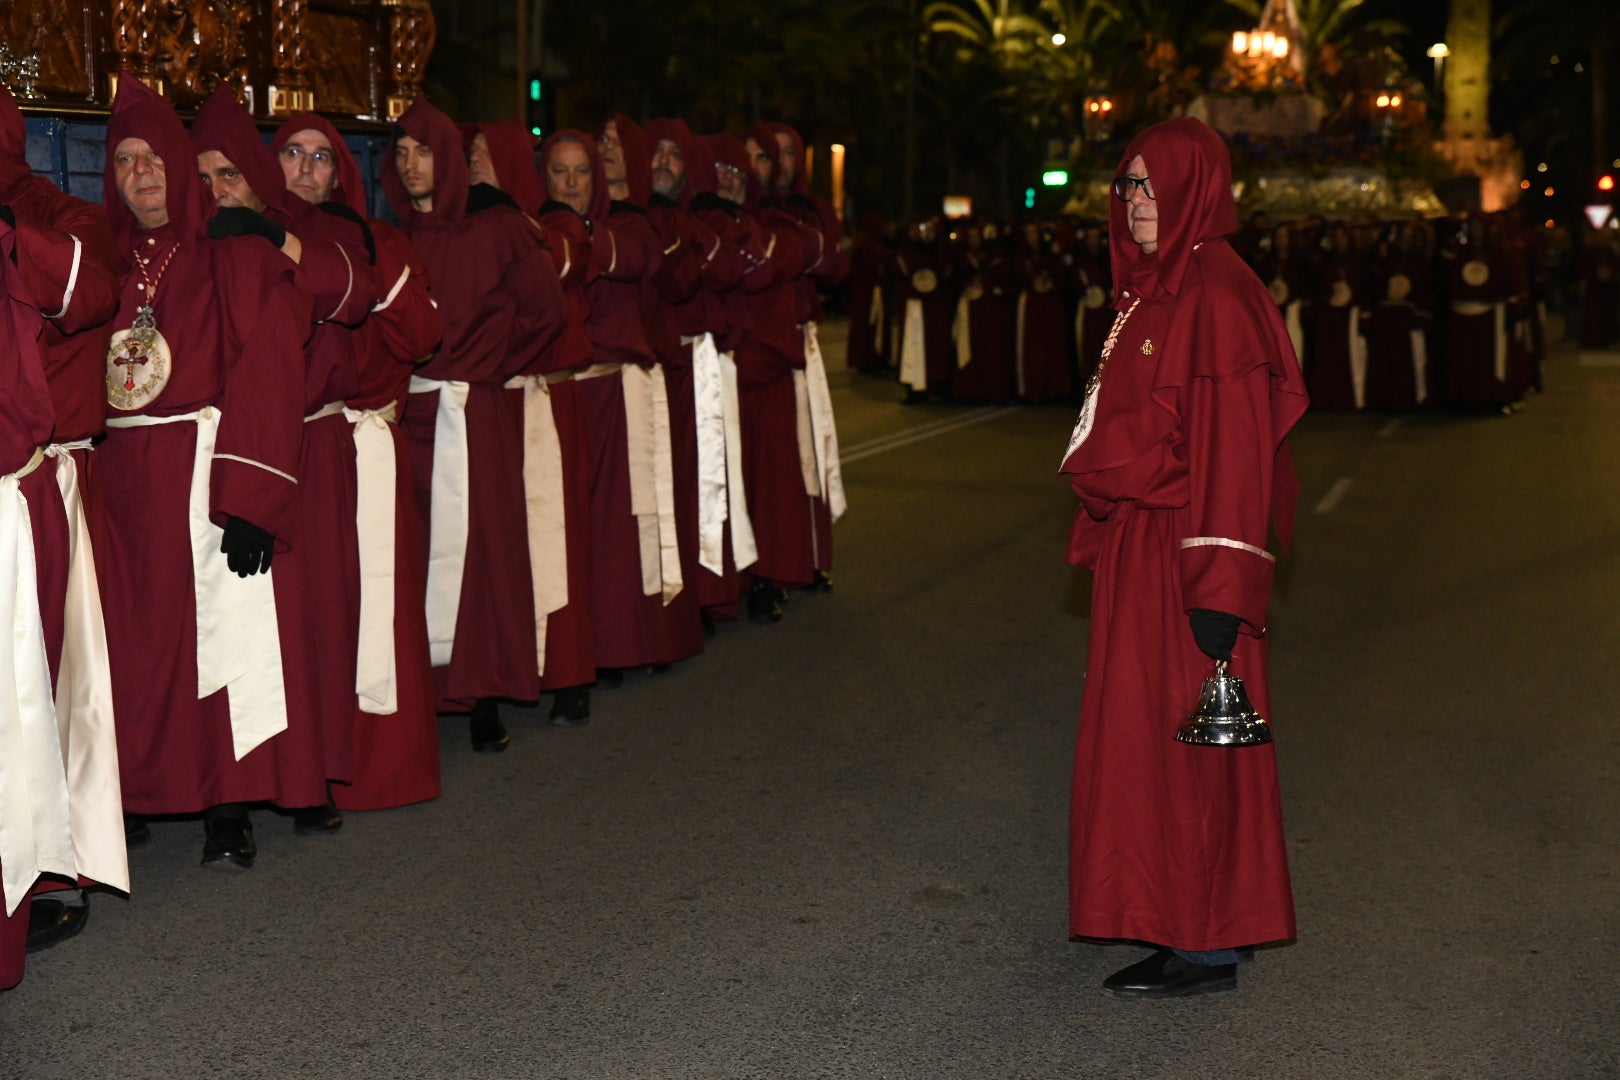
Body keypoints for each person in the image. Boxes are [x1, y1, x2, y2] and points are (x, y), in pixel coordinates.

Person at [1058, 117, 1306, 998]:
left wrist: (1219, 583)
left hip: (1184, 552)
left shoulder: (1214, 295)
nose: (1137, 204)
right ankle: (1181, 924)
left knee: (1191, 752)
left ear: (1198, 187)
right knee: (1150, 748)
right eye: (1127, 186)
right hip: (1146, 548)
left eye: (1154, 185)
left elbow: (1235, 453)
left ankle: (1203, 945)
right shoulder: (1159, 290)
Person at [96, 74, 313, 871]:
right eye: (124, 160)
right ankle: (136, 790)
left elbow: (269, 369)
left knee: (215, 640)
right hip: (120, 476)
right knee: (133, 645)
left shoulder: (229, 248)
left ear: (182, 165)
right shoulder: (108, 260)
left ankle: (228, 803)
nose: (142, 172)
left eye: (156, 156)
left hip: (200, 466)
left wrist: (251, 494)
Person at [190, 86, 380, 835]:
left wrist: (274, 241)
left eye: (229, 175)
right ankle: (229, 786)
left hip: (305, 446)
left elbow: (356, 292)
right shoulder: (193, 240)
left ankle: (309, 772)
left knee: (309, 620)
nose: (216, 193)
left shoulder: (319, 229)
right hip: (222, 446)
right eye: (202, 180)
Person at [271, 112, 445, 811]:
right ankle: (298, 768)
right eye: (291, 154)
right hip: (286, 449)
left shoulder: (378, 240)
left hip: (360, 443)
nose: (307, 170)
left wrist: (375, 266)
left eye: (321, 157)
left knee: (374, 608)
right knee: (302, 616)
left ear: (341, 170)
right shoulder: (249, 236)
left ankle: (375, 767)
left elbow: (423, 336)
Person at [384, 98, 565, 751]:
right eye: (400, 153)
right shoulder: (397, 232)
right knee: (415, 549)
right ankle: (426, 689)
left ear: (450, 157)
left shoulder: (498, 226)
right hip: (413, 413)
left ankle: (482, 691)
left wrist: (487, 370)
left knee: (483, 551)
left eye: (423, 151)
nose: (410, 166)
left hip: (474, 411)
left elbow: (544, 312)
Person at [0, 84, 125, 957]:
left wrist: (11, 238)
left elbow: (88, 293)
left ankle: (55, 864)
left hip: (43, 481)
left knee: (48, 685)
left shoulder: (58, 212)